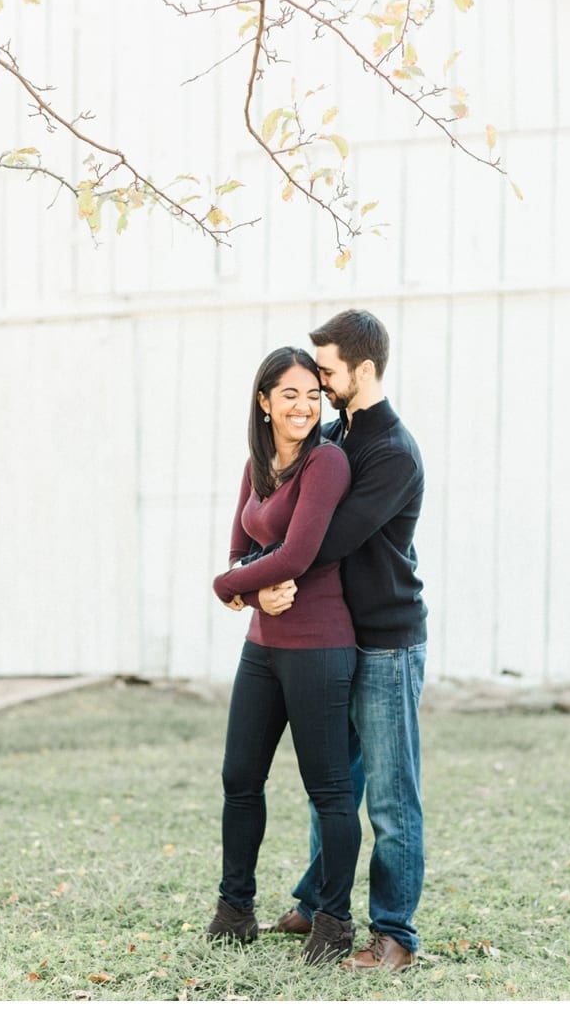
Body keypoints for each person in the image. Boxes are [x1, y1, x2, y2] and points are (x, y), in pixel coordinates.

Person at [258, 310, 428, 972]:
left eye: (326, 371)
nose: (318, 381)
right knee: (332, 781)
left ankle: (395, 936)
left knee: (390, 793)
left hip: (386, 641)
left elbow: (322, 541)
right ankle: (316, 897)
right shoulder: (335, 436)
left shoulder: (391, 453)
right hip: (335, 638)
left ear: (363, 368)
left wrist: (256, 578)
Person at [207, 347, 361, 966]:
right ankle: (234, 909)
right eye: (289, 395)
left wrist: (231, 587)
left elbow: (295, 556)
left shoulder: (327, 463)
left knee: (328, 791)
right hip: (263, 651)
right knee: (239, 779)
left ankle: (335, 921)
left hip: (319, 646)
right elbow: (241, 549)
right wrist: (248, 585)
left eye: (312, 395)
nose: (303, 406)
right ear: (264, 402)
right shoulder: (258, 463)